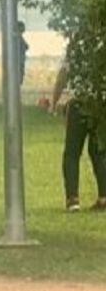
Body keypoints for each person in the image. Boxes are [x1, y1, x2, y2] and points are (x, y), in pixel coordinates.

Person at [51, 58, 106, 212]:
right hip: (100, 102)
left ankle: (73, 199)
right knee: (99, 152)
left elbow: (62, 75)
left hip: (78, 103)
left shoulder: (76, 48)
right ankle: (104, 196)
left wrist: (55, 102)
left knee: (72, 153)